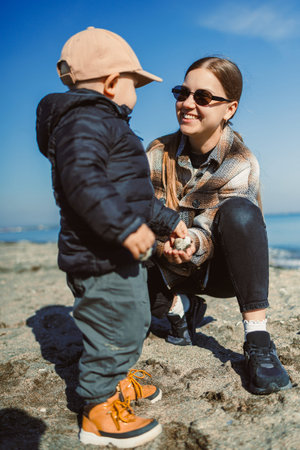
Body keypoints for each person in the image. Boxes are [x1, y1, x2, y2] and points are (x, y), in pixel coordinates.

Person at [36, 27, 187, 448]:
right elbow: (84, 183)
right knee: (115, 328)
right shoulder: (83, 123)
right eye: (134, 83)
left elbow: (129, 193)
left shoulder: (101, 124)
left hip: (115, 253)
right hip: (98, 255)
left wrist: (166, 219)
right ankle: (99, 409)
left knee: (133, 319)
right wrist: (123, 227)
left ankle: (116, 380)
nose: (136, 93)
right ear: (110, 83)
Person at [146, 56, 292, 395]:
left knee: (241, 211)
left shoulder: (240, 160)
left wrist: (191, 242)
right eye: (182, 93)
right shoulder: (156, 154)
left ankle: (257, 339)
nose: (187, 104)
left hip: (218, 270)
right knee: (113, 290)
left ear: (230, 108)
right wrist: (160, 243)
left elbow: (215, 223)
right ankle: (182, 305)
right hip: (164, 264)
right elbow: (141, 211)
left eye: (203, 97)